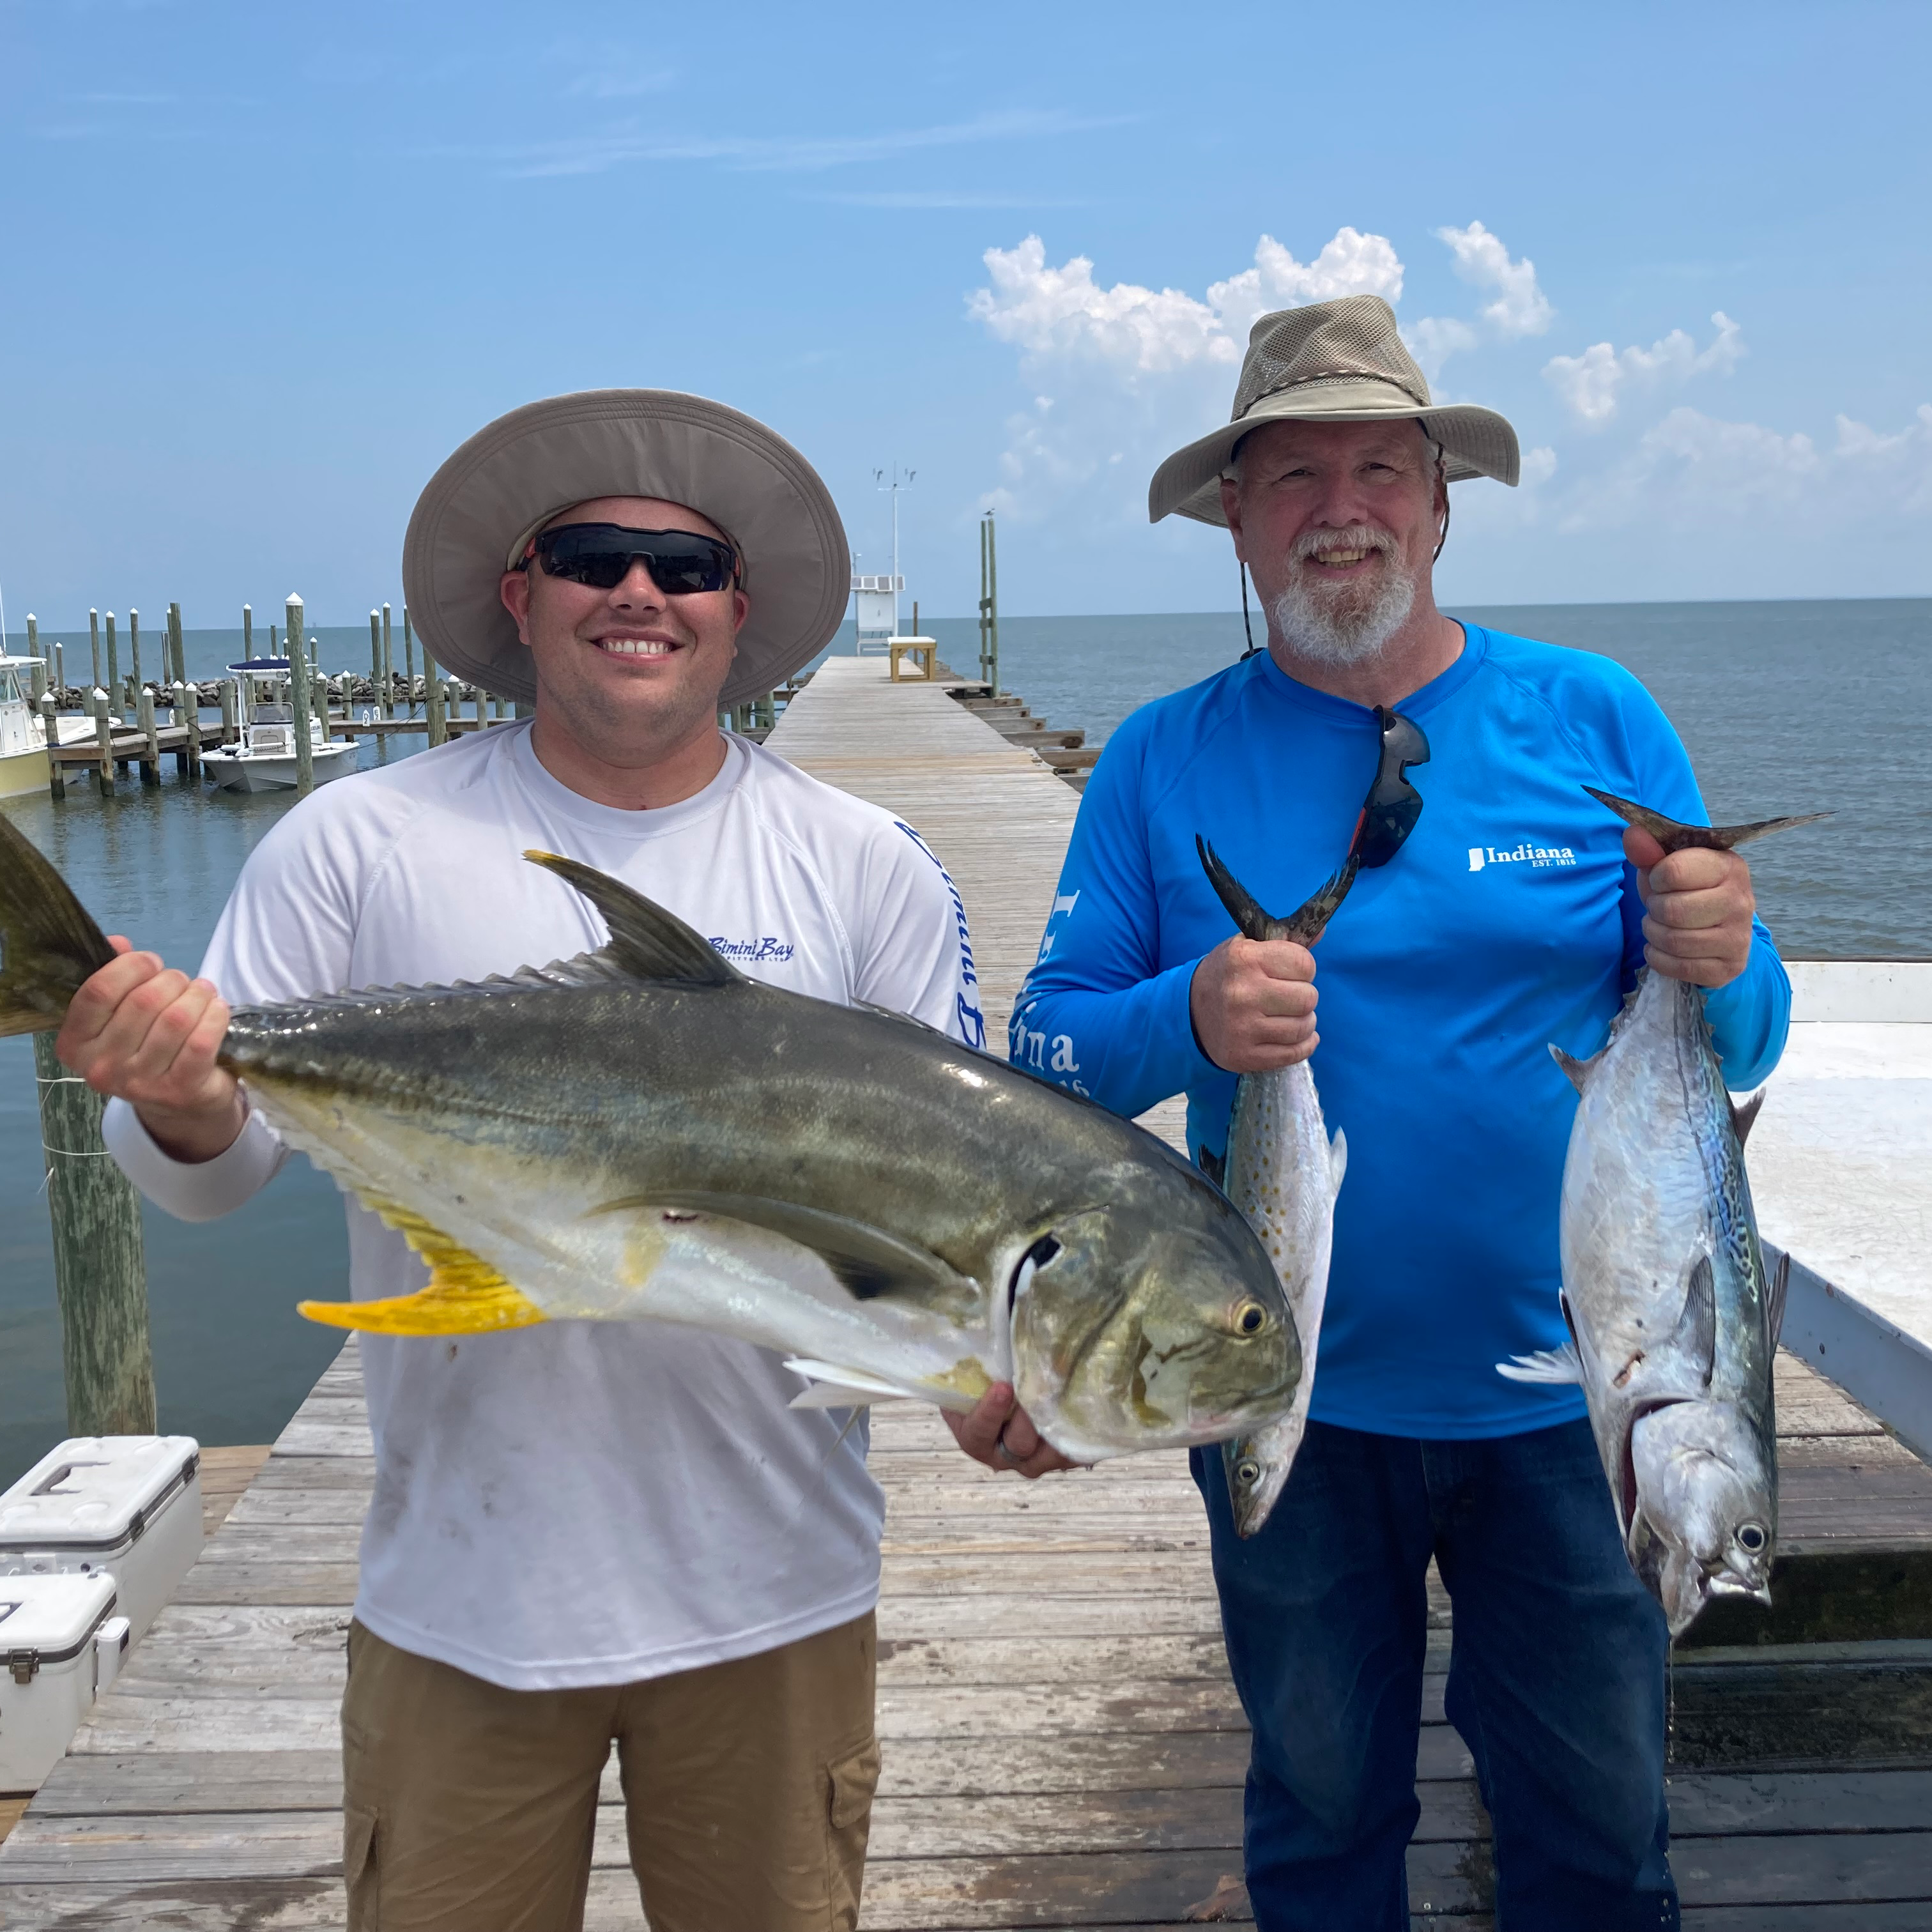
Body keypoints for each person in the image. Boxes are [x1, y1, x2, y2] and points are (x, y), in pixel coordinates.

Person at [52, 390, 1014, 1932]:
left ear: (738, 613)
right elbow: (208, 1177)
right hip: (462, 1607)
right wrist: (173, 1087)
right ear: (522, 595)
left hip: (778, 1598)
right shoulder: (358, 843)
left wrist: (994, 1372)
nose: (638, 590)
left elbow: (961, 1198)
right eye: (590, 554)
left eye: (682, 566)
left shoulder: (864, 863)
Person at [1008, 296, 1790, 1930]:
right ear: (1234, 515)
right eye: (1293, 476)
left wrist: (1723, 956)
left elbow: (1744, 1036)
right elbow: (1049, 1053)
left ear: (1442, 502)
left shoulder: (1594, 721)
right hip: (1286, 1390)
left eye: (1380, 467)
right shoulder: (1160, 762)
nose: (1340, 508)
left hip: (1587, 1406)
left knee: (1596, 1837)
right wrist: (1191, 1015)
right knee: (1317, 1816)